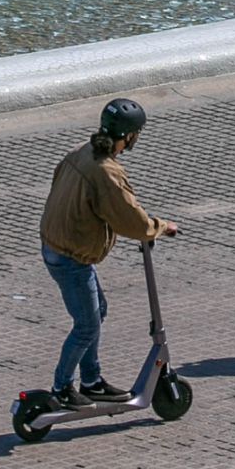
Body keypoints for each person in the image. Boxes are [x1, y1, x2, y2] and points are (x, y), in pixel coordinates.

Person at [38, 98, 180, 410]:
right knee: (86, 326)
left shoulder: (81, 151)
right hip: (70, 257)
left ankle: (92, 381)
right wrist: (160, 227)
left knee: (97, 311)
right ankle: (62, 388)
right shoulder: (107, 173)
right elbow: (133, 222)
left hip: (56, 245)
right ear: (129, 136)